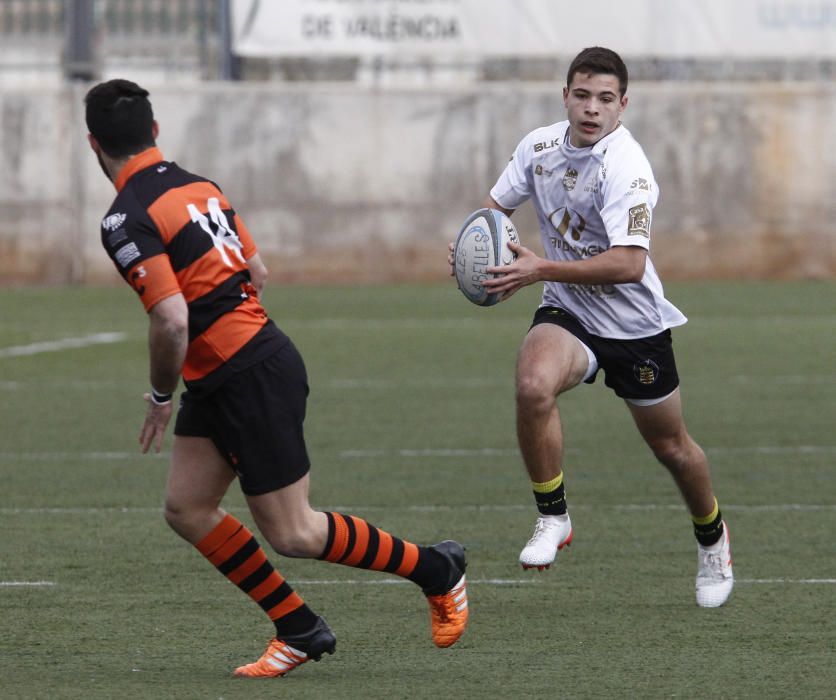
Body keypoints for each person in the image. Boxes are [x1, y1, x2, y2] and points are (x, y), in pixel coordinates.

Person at [85, 79, 469, 678]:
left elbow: (170, 317)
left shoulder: (125, 216)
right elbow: (256, 271)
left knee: (295, 532)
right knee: (187, 507)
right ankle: (298, 627)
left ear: (93, 145)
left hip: (247, 373)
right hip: (231, 370)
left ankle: (436, 568)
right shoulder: (200, 187)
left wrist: (162, 394)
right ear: (155, 131)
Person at [450, 47, 733, 607]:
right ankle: (553, 516)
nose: (592, 108)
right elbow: (492, 210)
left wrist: (539, 268)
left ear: (622, 106)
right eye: (582, 95)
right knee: (533, 384)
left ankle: (713, 540)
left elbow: (628, 263)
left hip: (633, 325)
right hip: (569, 309)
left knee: (672, 447)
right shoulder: (539, 147)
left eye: (605, 99)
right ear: (566, 96)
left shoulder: (628, 167)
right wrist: (474, 249)